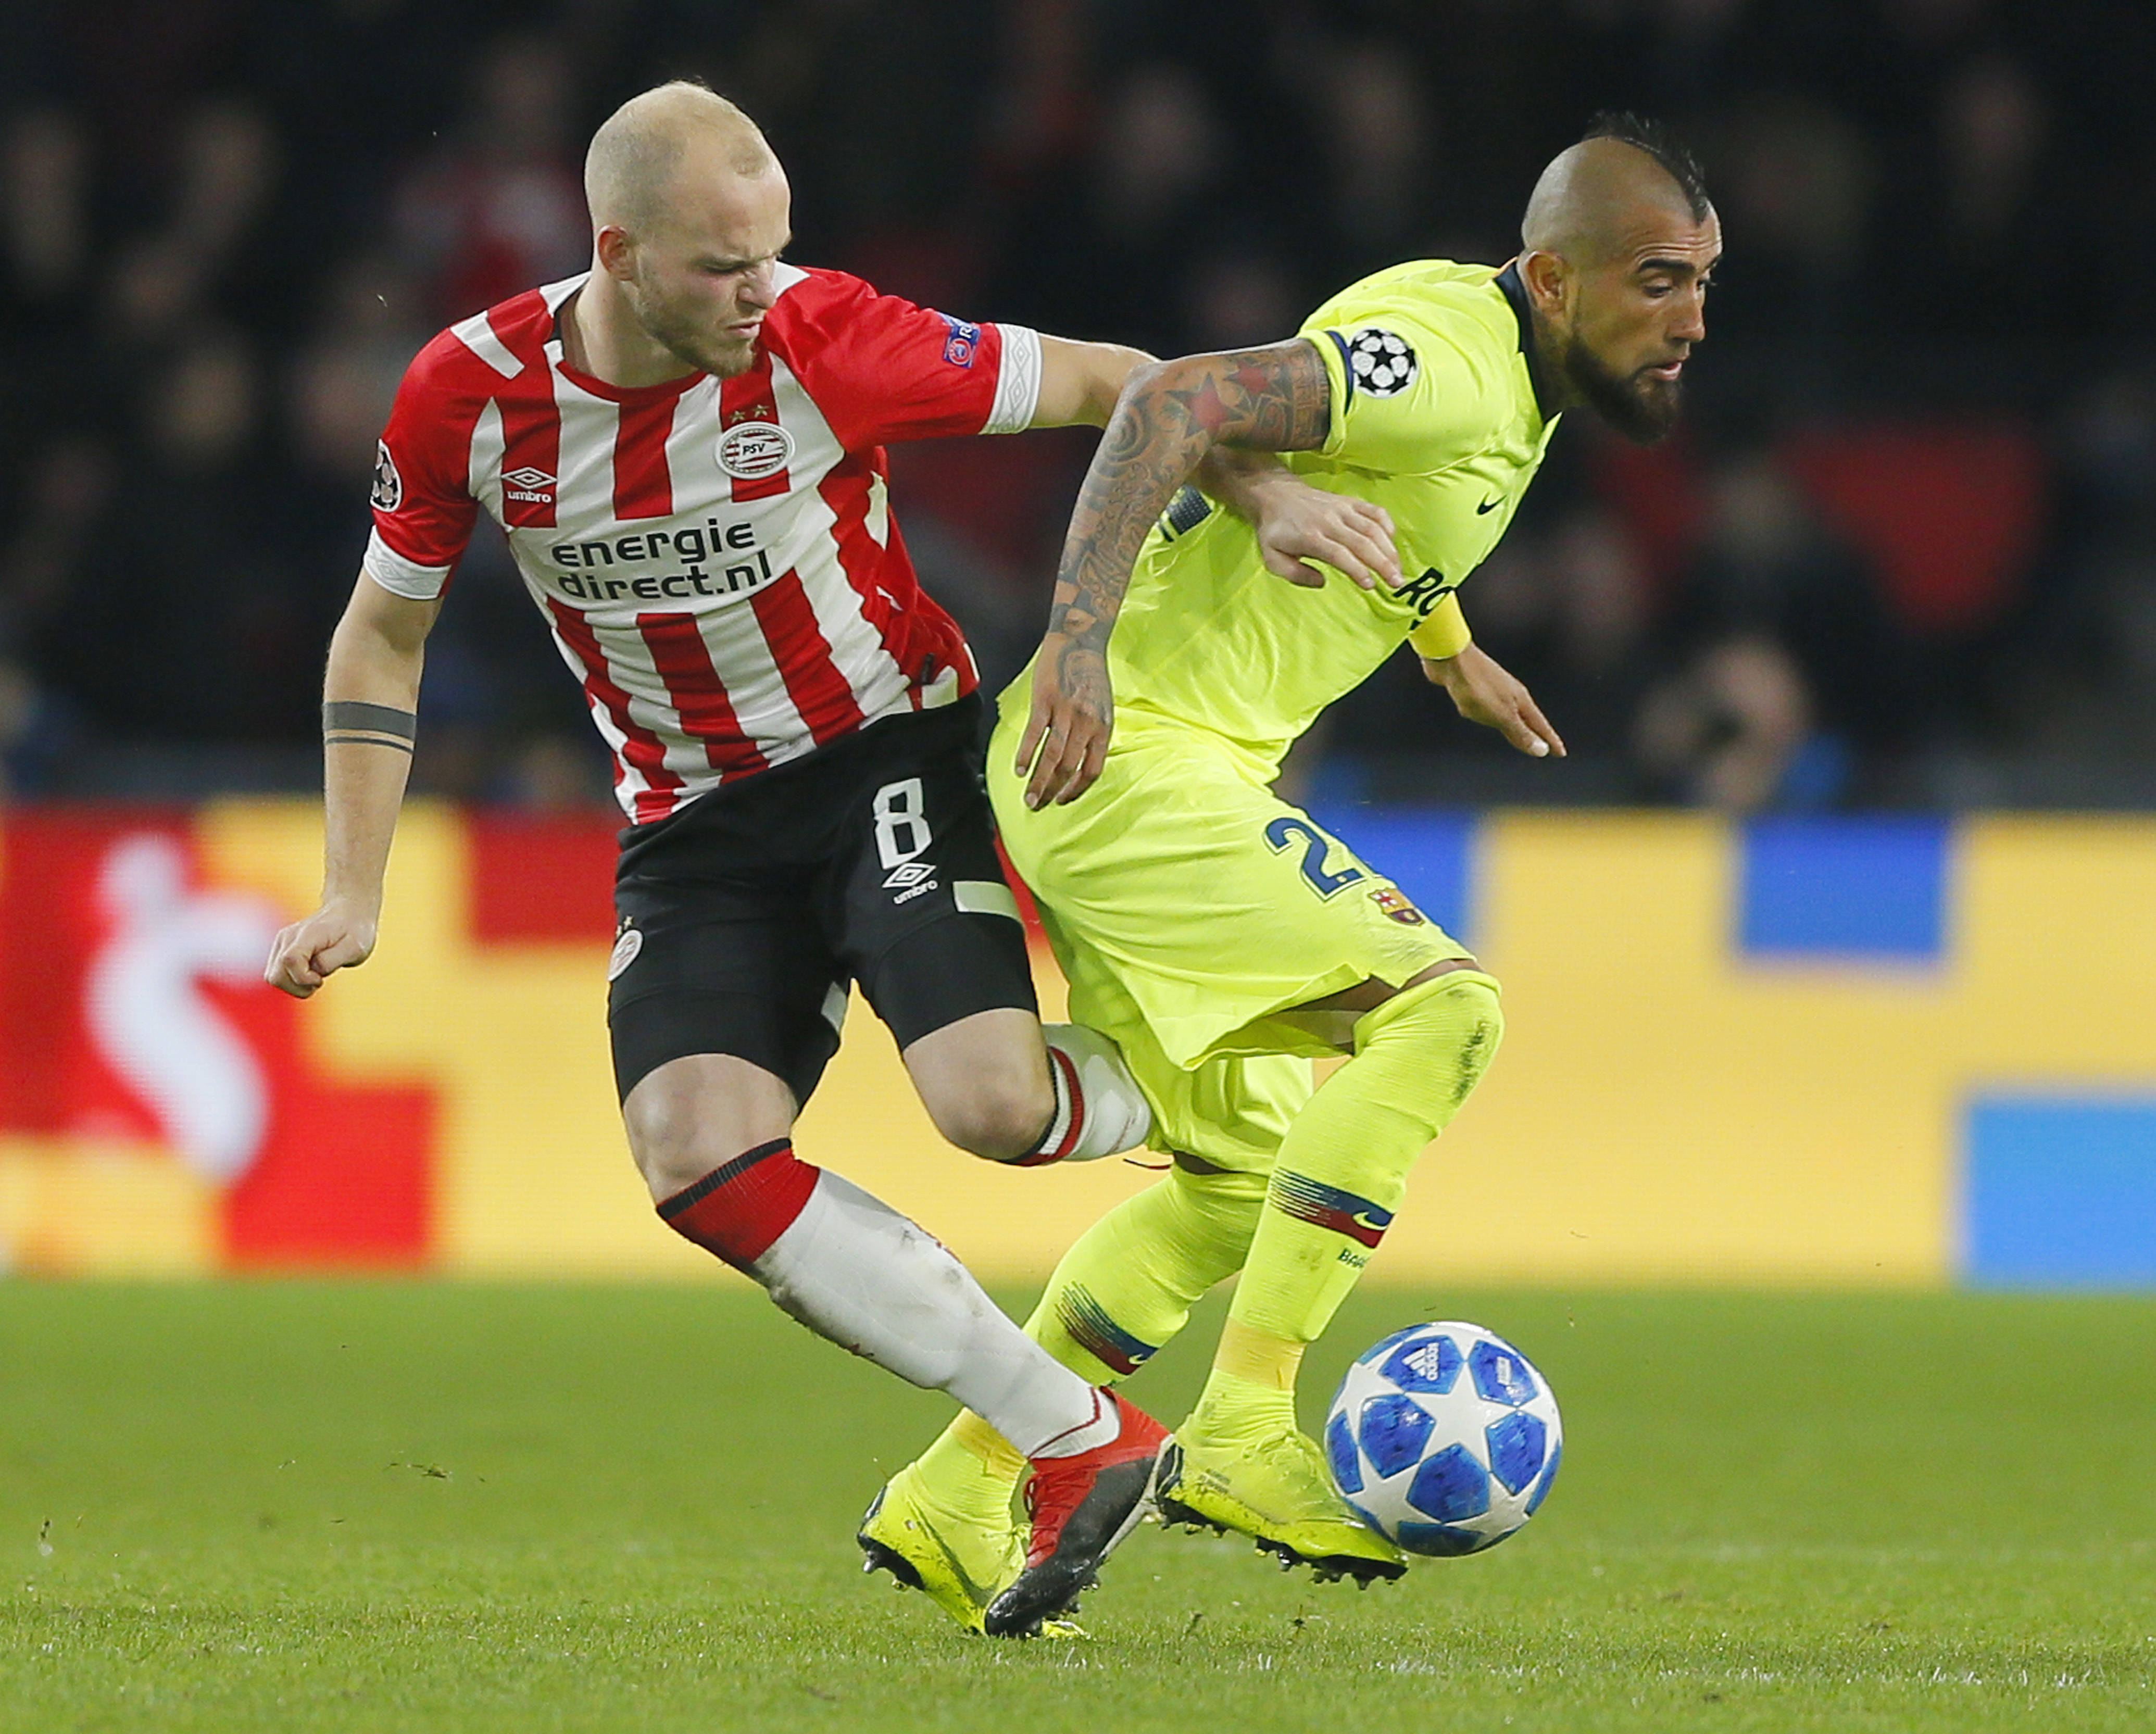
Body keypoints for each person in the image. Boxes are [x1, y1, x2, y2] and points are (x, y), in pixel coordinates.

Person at [261, 81, 1397, 1635]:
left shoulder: (828, 337)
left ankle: (1196, 1077)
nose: (762, 290)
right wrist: (352, 886)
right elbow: (382, 631)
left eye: (774, 253)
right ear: (619, 253)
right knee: (693, 1157)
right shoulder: (465, 396)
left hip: (884, 754)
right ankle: (1077, 1433)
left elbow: (1126, 381)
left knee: (990, 1107)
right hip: (691, 824)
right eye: (726, 266)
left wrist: (1260, 488)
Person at [887, 113, 1721, 1636]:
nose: (1690, 321)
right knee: (1443, 1013)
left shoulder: (1503, 371)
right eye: (1657, 282)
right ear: (1551, 275)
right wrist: (1073, 644)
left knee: (1250, 1175)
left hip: (1135, 772)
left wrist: (1446, 644)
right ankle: (1246, 1427)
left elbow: (1339, 479)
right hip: (1127, 758)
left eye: (1701, 284)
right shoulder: (1453, 357)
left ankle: (958, 1482)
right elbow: (1173, 401)